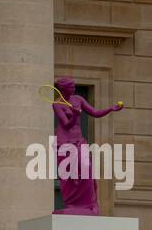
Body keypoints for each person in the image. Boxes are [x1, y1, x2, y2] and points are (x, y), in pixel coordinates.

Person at [51, 76, 123, 215]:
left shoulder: (78, 99)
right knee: (70, 174)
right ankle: (72, 204)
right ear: (63, 89)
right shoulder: (57, 104)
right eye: (71, 87)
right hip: (65, 142)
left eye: (74, 86)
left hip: (79, 140)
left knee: (86, 169)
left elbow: (94, 113)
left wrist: (111, 109)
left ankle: (88, 204)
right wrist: (74, 116)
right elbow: (66, 124)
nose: (74, 89)